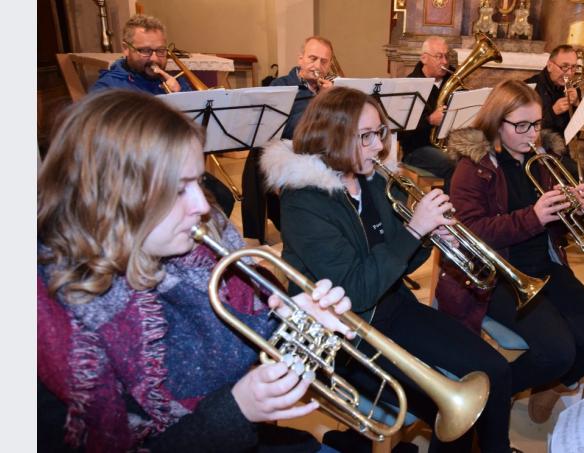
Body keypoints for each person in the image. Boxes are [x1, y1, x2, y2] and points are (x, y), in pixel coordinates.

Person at [37, 89, 355, 453]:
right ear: (112, 200)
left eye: (199, 182)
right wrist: (236, 410)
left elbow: (245, 344)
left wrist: (291, 319)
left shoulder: (195, 251)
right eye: (178, 189)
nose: (203, 206)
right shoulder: (52, 334)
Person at [261, 87, 521, 453]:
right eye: (365, 136)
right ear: (333, 138)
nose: (378, 147)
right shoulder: (304, 201)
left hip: (391, 306)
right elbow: (355, 291)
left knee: (495, 370)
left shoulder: (373, 179)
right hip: (343, 335)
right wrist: (414, 230)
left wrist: (430, 235)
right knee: (451, 409)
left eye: (380, 132)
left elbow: (399, 264)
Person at [437, 80, 584, 424]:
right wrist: (533, 216)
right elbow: (471, 232)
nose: (531, 135)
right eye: (521, 126)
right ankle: (493, 397)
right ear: (496, 122)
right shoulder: (472, 167)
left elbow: (553, 227)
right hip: (498, 275)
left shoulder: (542, 160)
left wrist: (574, 210)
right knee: (557, 352)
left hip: (546, 267)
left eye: (536, 124)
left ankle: (550, 387)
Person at [89, 14, 235, 217]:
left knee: (223, 197)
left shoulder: (170, 82)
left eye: (160, 51)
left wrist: (182, 97)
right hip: (135, 176)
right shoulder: (108, 88)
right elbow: (102, 148)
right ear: (125, 48)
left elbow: (197, 129)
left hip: (173, 168)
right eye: (145, 51)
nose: (155, 59)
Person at [241, 36, 336, 244]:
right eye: (312, 58)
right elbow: (287, 129)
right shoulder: (281, 85)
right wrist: (321, 103)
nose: (317, 65)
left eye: (324, 61)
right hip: (291, 150)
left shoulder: (331, 89)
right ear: (300, 59)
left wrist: (334, 102)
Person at [398, 36, 457, 192]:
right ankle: (451, 210)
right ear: (424, 58)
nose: (444, 61)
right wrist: (429, 120)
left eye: (446, 56)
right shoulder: (410, 84)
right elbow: (402, 130)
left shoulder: (454, 80)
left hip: (448, 145)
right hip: (417, 149)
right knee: (452, 164)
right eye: (439, 56)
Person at [524, 44, 584, 180]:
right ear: (550, 65)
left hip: (561, 152)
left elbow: (575, 135)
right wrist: (553, 112)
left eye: (574, 67)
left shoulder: (573, 90)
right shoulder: (530, 88)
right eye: (564, 66)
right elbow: (524, 129)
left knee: (580, 179)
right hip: (534, 151)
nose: (569, 73)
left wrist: (576, 106)